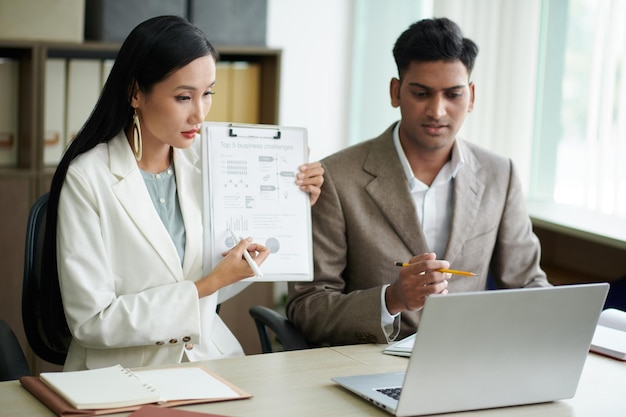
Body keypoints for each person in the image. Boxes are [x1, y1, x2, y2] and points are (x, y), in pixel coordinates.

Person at [40, 15, 324, 371]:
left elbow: (228, 277)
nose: (199, 114)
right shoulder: (88, 177)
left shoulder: (212, 160)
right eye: (183, 97)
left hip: (208, 360)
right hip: (124, 372)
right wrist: (205, 286)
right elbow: (92, 322)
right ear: (135, 93)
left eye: (207, 94)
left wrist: (291, 205)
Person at [286, 17, 551, 346]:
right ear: (396, 92)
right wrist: (392, 299)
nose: (437, 111)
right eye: (422, 93)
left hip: (470, 359)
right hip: (370, 364)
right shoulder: (337, 178)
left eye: (453, 95)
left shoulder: (500, 174)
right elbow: (307, 306)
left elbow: (527, 285)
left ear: (471, 96)